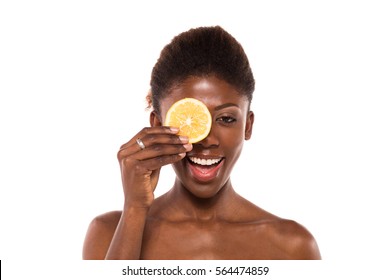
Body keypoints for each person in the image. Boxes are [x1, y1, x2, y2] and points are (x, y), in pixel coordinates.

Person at [82, 26, 321, 260]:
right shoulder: (107, 234)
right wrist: (134, 209)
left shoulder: (293, 248)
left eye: (226, 119)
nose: (207, 140)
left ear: (247, 125)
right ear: (157, 125)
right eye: (190, 121)